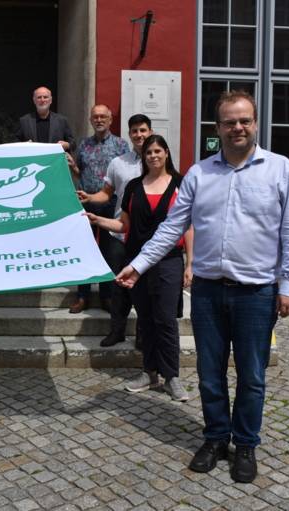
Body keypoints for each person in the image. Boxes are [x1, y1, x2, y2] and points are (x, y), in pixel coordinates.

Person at [115, 91, 289, 483]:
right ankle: (217, 437)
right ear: (217, 128)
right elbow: (171, 226)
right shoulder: (201, 174)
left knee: (252, 374)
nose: (238, 128)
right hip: (206, 290)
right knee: (208, 372)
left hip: (256, 292)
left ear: (255, 123)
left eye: (245, 121)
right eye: (229, 122)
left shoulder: (280, 170)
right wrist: (137, 264)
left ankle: (246, 445)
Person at [86, 134, 193, 401]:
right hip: (136, 262)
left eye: (158, 151)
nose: (153, 156)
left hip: (168, 261)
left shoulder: (181, 184)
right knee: (145, 320)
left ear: (167, 153)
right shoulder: (134, 186)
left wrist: (190, 263)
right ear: (143, 157)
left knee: (166, 319)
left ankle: (172, 377)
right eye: (148, 152)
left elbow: (188, 227)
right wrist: (96, 219)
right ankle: (149, 372)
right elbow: (124, 226)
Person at [78, 114, 153, 346]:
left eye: (143, 130)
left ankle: (143, 334)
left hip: (149, 237)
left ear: (149, 132)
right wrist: (90, 197)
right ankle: (116, 331)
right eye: (135, 131)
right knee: (118, 287)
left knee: (145, 289)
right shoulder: (118, 163)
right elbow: (106, 194)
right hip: (120, 233)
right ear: (129, 135)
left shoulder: (158, 160)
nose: (139, 135)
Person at [69, 104, 129, 313]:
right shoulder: (84, 145)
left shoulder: (121, 146)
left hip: (111, 203)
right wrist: (72, 166)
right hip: (86, 202)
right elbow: (79, 173)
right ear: (90, 120)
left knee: (109, 252)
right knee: (84, 249)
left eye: (103, 116)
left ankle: (107, 296)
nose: (99, 120)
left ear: (110, 120)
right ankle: (82, 296)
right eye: (95, 117)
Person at [16, 86, 75, 152]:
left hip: (54, 160)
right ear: (34, 100)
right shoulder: (24, 121)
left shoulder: (62, 121)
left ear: (50, 100)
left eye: (45, 97)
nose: (42, 100)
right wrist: (24, 145)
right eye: (39, 97)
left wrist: (67, 145)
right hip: (32, 160)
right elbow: (15, 143)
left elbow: (73, 144)